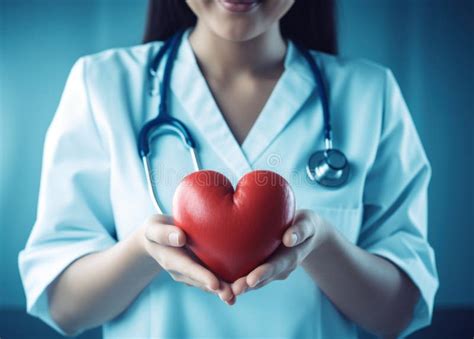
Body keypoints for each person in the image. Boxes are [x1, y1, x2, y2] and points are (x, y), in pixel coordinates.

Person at [19, 0, 438, 338]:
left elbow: (397, 315)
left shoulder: (370, 94)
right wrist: (144, 251)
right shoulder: (102, 85)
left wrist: (323, 244)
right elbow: (64, 307)